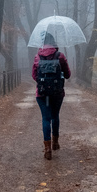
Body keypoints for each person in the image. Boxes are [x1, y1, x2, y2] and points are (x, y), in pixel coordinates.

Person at [31, 32, 72, 160]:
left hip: (42, 94)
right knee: (55, 116)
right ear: (54, 43)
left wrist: (44, 82)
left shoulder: (38, 57)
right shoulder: (60, 56)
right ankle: (55, 143)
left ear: (42, 43)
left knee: (45, 118)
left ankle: (47, 149)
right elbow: (68, 74)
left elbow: (34, 75)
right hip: (57, 93)